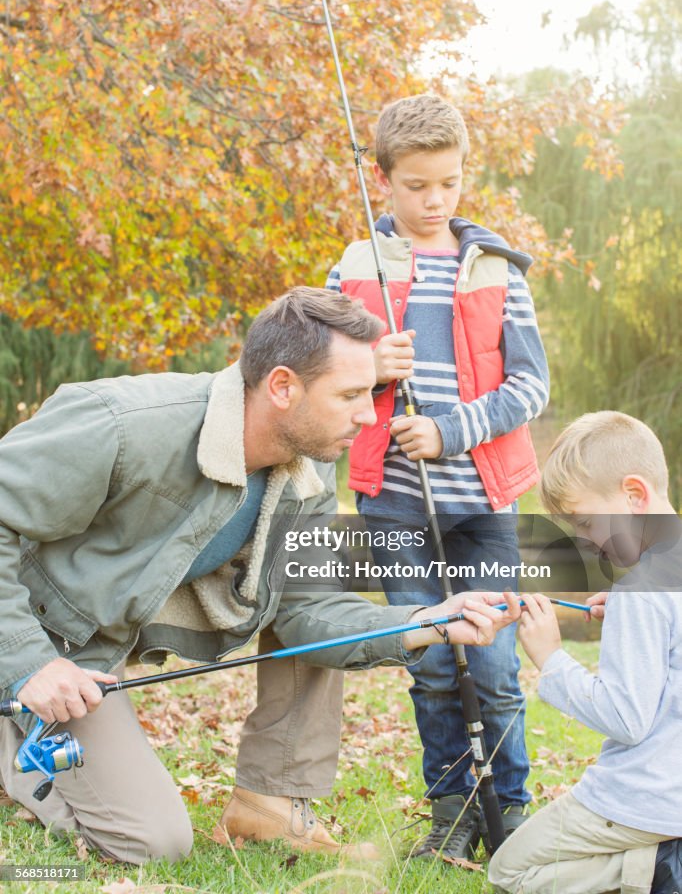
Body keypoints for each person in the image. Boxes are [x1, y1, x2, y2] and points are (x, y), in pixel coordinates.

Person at [0, 286, 517, 865]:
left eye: (370, 393)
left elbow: (307, 611)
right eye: (349, 394)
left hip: (106, 639)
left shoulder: (311, 468)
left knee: (161, 838)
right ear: (281, 387)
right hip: (39, 636)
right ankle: (11, 732)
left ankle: (270, 803)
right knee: (153, 844)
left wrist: (429, 622)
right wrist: (27, 664)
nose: (370, 415)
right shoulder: (125, 424)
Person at [326, 93, 550, 858]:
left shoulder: (495, 269)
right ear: (383, 179)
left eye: (448, 184)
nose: (434, 201)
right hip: (392, 504)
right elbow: (324, 383)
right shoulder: (354, 270)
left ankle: (509, 816)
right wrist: (369, 371)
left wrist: (450, 430)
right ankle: (451, 818)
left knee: (489, 665)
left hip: (481, 503)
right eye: (417, 184)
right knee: (426, 662)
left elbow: (530, 389)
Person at [488, 411, 682, 894]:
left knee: (509, 871)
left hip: (646, 800)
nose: (585, 540)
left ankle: (656, 865)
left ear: (634, 496)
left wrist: (550, 657)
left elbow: (626, 718)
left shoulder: (643, 588)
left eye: (586, 521)